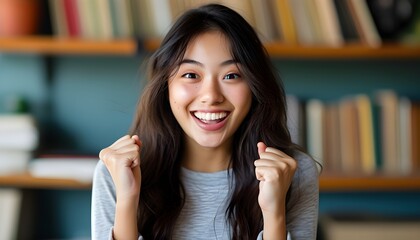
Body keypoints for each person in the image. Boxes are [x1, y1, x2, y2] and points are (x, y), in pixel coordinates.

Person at [91, 3, 319, 240]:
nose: (211, 96)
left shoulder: (293, 173)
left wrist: (274, 215)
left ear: (254, 86)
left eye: (231, 76)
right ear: (165, 85)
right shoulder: (116, 172)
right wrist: (127, 201)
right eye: (191, 75)